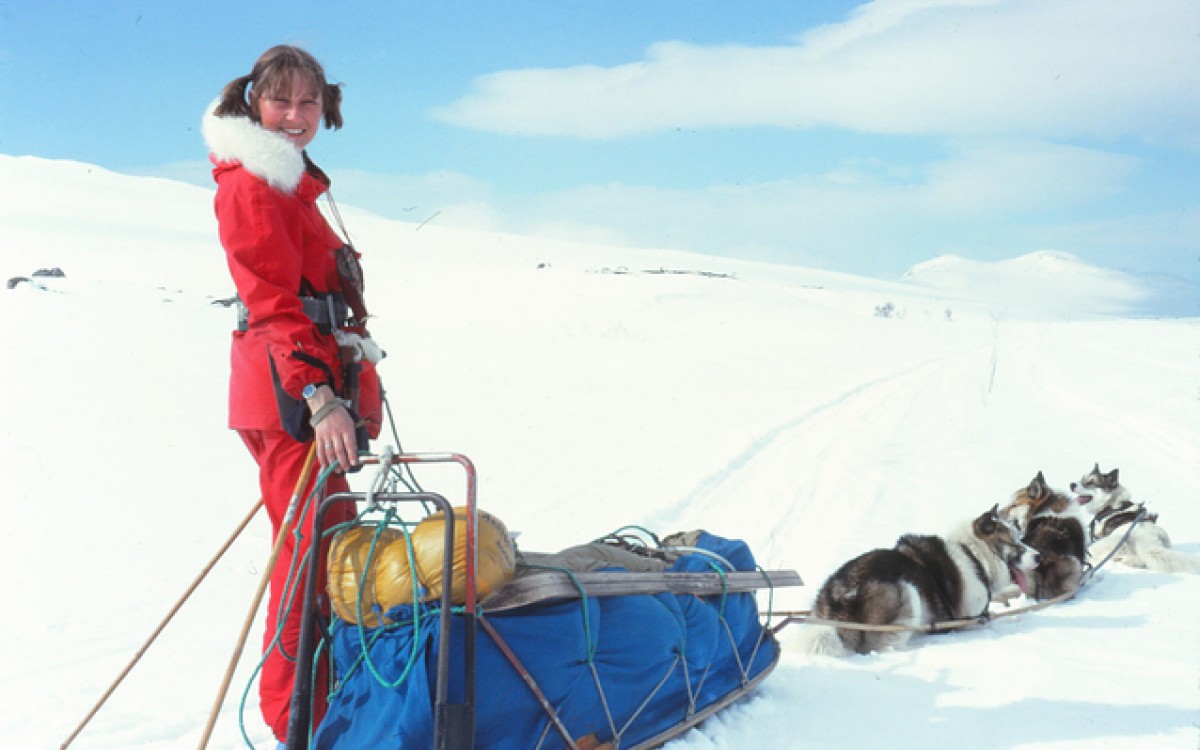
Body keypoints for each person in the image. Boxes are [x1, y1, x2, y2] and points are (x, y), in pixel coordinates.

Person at [202, 44, 383, 743]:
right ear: (255, 103)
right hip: (291, 402)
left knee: (322, 549)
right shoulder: (251, 185)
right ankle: (296, 725)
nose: (296, 116)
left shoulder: (293, 184)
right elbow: (273, 302)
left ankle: (321, 708)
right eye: (282, 101)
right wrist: (319, 398)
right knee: (309, 563)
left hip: (306, 396)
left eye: (309, 102)